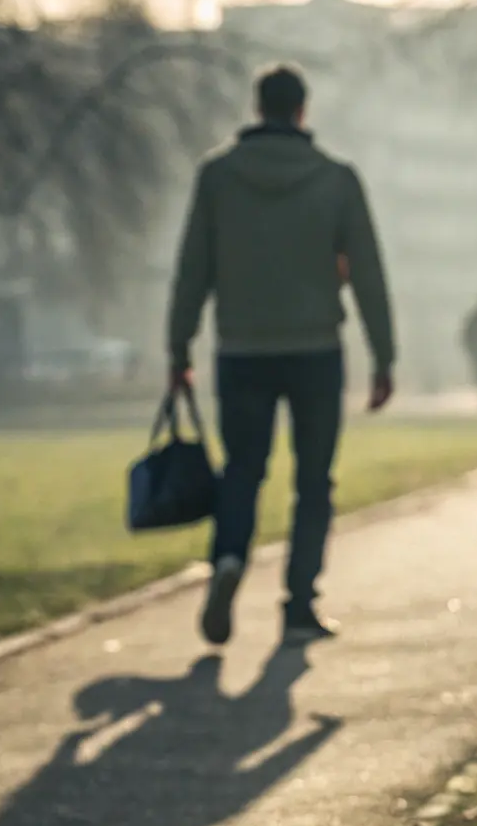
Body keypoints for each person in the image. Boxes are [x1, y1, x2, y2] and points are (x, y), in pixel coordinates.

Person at [166, 63, 396, 646]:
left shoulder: (217, 177)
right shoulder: (336, 179)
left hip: (241, 349)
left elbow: (193, 268)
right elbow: (368, 273)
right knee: (313, 479)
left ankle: (228, 560)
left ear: (257, 107)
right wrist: (384, 356)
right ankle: (299, 604)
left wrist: (178, 346)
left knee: (243, 470)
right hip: (316, 349)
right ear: (301, 111)